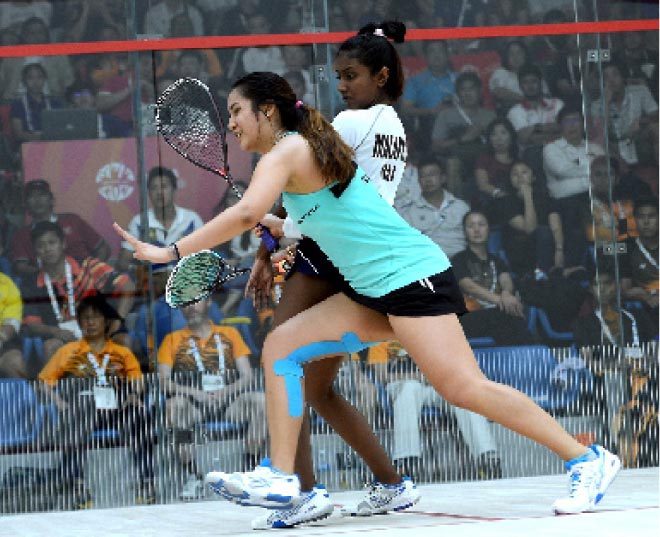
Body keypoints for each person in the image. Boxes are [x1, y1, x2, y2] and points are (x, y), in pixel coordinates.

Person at [115, 70, 621, 521]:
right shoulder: (292, 157)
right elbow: (307, 220)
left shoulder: (289, 147)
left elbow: (245, 212)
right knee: (282, 348)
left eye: (236, 112)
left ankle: (587, 459)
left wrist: (170, 252)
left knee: (464, 389)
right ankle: (281, 476)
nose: (230, 123)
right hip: (373, 291)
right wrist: (275, 227)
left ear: (266, 111)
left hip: (411, 280)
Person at [38, 295, 155, 509]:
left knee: (140, 416)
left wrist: (134, 395)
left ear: (106, 322)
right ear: (80, 323)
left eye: (95, 318)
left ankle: (145, 481)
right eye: (85, 319)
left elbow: (137, 380)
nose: (90, 323)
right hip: (84, 406)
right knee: (76, 419)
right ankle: (77, 484)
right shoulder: (68, 351)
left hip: (117, 406)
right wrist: (60, 403)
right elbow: (43, 382)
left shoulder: (122, 352)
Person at [157, 296, 265, 500]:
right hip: (193, 404)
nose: (191, 307)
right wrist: (195, 393)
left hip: (230, 401)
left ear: (209, 303)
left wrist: (226, 391)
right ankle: (193, 475)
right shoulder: (172, 339)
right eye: (186, 304)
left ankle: (250, 471)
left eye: (196, 301)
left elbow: (248, 376)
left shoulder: (230, 334)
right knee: (174, 405)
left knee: (261, 401)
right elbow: (164, 381)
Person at [369, 340, 501, 481]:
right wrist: (418, 377)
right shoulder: (381, 338)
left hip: (435, 385)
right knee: (409, 389)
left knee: (462, 397)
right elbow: (382, 375)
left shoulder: (431, 332)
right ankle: (407, 460)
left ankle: (487, 457)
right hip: (402, 386)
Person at [21, 221, 135, 368]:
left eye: (52, 242)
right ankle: (64, 391)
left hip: (100, 331)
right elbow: (33, 325)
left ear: (63, 244)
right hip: (63, 337)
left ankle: (120, 389)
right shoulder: (31, 284)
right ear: (35, 251)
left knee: (123, 340)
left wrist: (117, 320)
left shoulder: (88, 266)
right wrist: (57, 332)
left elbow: (128, 286)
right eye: (41, 245)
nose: (47, 249)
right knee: (50, 346)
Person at [452, 210, 538, 346]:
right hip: (467, 317)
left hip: (497, 315)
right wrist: (500, 300)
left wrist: (505, 293)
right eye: (471, 226)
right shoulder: (458, 259)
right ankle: (531, 359)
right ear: (464, 232)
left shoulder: (497, 260)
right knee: (507, 318)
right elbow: (468, 285)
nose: (476, 230)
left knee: (509, 320)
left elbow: (506, 280)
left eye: (481, 225)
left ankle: (523, 360)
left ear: (488, 230)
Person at [10, 178, 111, 280]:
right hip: (47, 284)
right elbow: (20, 267)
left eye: (41, 195)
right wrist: (49, 275)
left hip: (84, 278)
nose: (37, 200)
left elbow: (103, 249)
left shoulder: (72, 221)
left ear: (51, 200)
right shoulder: (22, 235)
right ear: (25, 204)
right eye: (32, 196)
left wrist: (90, 272)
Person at [543, 104, 604, 269]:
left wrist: (579, 168)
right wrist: (592, 172)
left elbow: (605, 174)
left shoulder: (595, 148)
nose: (572, 125)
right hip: (566, 203)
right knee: (578, 225)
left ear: (583, 123)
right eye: (566, 121)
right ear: (559, 126)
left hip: (596, 197)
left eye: (576, 120)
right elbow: (562, 170)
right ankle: (575, 269)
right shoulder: (551, 149)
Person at [115, 166, 204, 276]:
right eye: (154, 188)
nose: (159, 192)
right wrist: (140, 272)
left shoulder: (192, 220)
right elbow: (123, 261)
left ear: (174, 190)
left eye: (164, 187)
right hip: (150, 285)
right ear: (149, 193)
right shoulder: (139, 222)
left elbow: (205, 258)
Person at [431, 71, 496, 195]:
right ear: (458, 93)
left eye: (472, 89)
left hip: (484, 158)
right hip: (457, 159)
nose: (467, 93)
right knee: (452, 163)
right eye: (463, 89)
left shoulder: (490, 116)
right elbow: (435, 146)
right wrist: (462, 139)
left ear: (479, 91)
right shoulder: (446, 115)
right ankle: (456, 209)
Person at [395, 155, 470, 259]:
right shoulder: (409, 213)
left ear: (443, 178)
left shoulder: (461, 207)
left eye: (432, 175)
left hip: (460, 263)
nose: (428, 180)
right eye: (422, 176)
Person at [500, 160, 563, 279]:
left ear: (533, 177)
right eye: (514, 174)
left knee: (574, 234)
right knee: (543, 232)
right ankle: (542, 277)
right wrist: (528, 197)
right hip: (520, 250)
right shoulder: (506, 202)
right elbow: (530, 229)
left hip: (547, 248)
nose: (519, 177)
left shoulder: (546, 198)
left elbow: (556, 226)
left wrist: (559, 250)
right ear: (510, 180)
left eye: (524, 172)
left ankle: (560, 271)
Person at [590, 61, 658, 167]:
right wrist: (606, 104)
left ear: (622, 77)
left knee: (656, 128)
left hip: (639, 141)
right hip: (615, 147)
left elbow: (656, 115)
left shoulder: (640, 91)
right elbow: (602, 134)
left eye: (615, 75)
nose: (611, 81)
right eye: (606, 77)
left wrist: (640, 122)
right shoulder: (596, 105)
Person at [401, 40, 456, 152]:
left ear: (447, 55)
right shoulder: (415, 81)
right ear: (425, 57)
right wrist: (431, 111)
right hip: (429, 123)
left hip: (456, 122)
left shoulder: (459, 79)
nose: (436, 55)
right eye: (432, 52)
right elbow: (405, 109)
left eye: (440, 51)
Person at [621, 197, 659, 326]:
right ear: (635, 220)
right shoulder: (627, 248)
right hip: (647, 308)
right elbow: (625, 289)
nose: (646, 222)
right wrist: (645, 296)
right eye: (641, 217)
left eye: (652, 216)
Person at [473, 118, 518, 224]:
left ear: (511, 136)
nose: (499, 138)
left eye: (503, 133)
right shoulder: (484, 159)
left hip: (514, 202)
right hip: (490, 202)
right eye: (494, 134)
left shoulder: (518, 161)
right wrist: (500, 194)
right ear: (489, 139)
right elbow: (483, 185)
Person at [9, 63, 63, 145]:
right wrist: (42, 138)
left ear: (45, 80)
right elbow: (18, 134)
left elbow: (62, 128)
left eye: (40, 77)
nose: (36, 82)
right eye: (30, 78)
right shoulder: (18, 105)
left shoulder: (55, 103)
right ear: (24, 81)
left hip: (53, 145)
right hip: (27, 146)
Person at [0, 269, 25, 378]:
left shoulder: (6, 284)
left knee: (15, 361)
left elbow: (11, 324)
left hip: (2, 342)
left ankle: (25, 395)